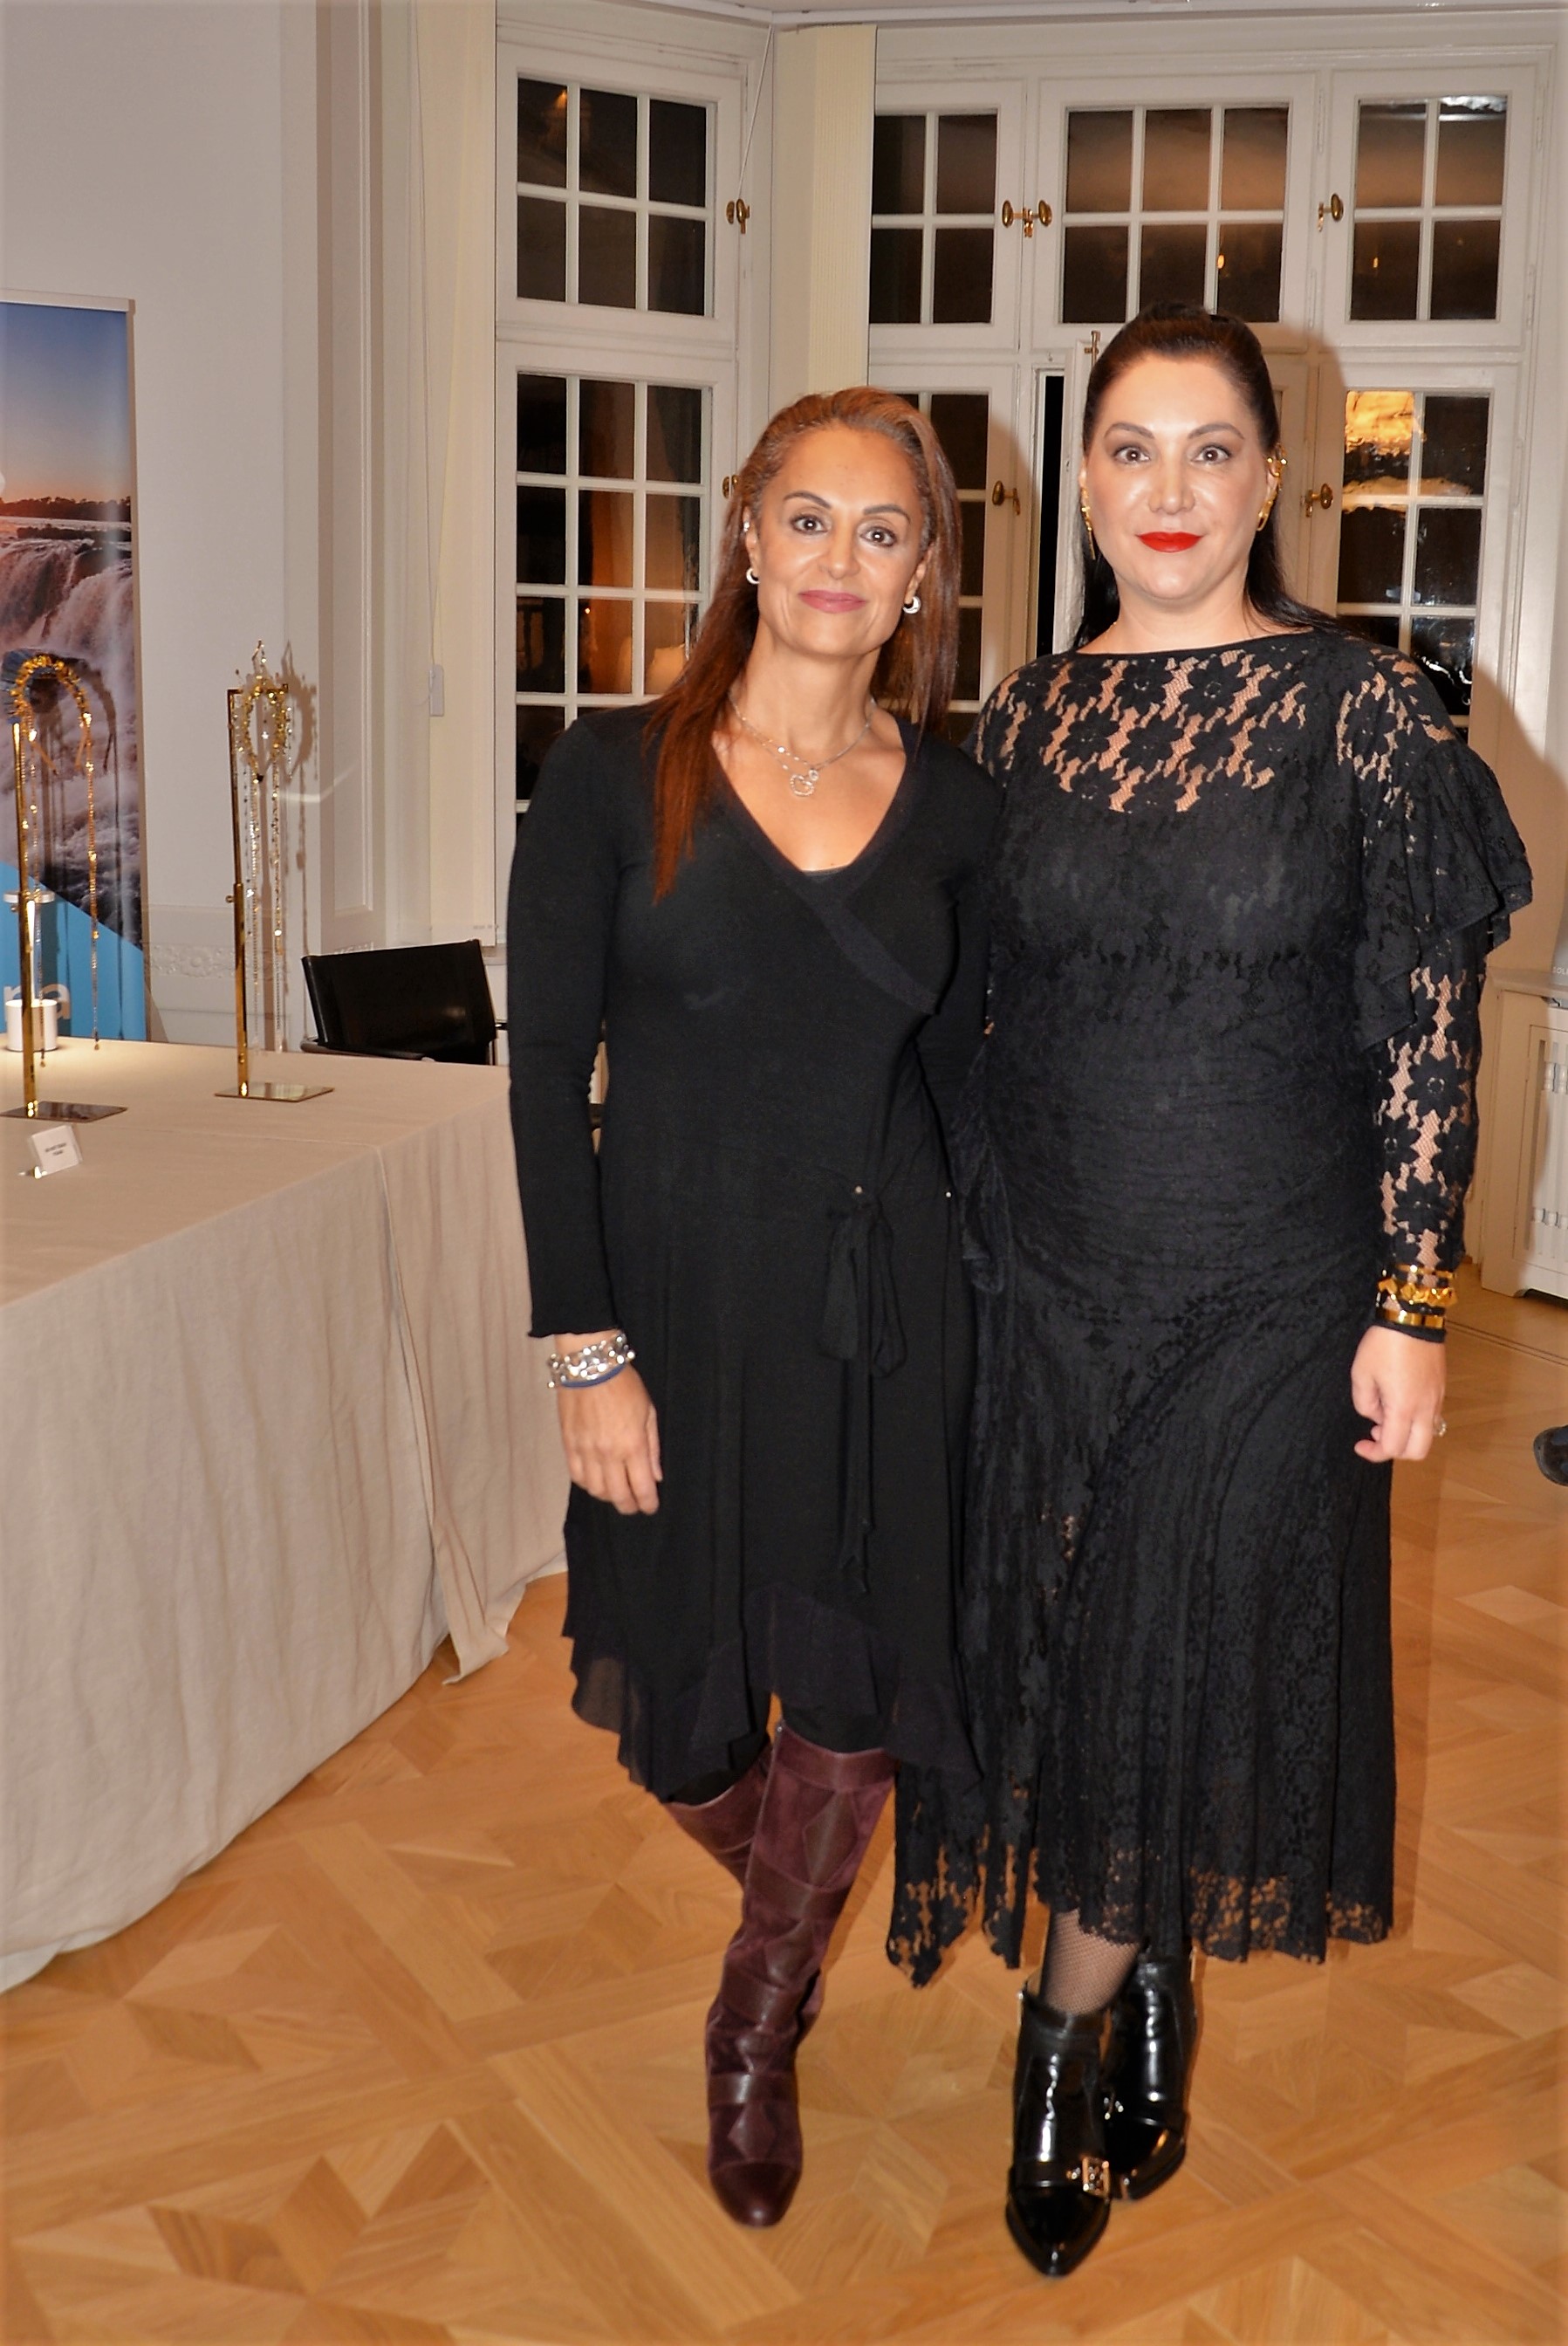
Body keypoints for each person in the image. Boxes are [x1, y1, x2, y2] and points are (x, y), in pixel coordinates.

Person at [888, 305, 1532, 2279]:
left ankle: (1053, 2049)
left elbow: (1420, 1022)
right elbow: (968, 1013)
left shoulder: (1362, 717)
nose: (1165, 491)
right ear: (1079, 486)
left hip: (1271, 1288)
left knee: (1176, 1631)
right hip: (1049, 1281)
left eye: (1208, 451)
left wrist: (1409, 1301)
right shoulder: (1016, 722)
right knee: (1098, 1657)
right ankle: (1149, 1963)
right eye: (1128, 450)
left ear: (1269, 481)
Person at [507, 387, 996, 2230]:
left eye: (882, 530)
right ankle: (785, 1904)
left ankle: (753, 2021)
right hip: (672, 1314)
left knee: (855, 1679)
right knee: (682, 1721)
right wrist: (587, 1348)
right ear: (745, 533)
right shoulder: (609, 771)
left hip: (885, 1318)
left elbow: (969, 1085)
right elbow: (542, 1073)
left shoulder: (958, 810)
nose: (838, 560)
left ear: (922, 573)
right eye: (808, 517)